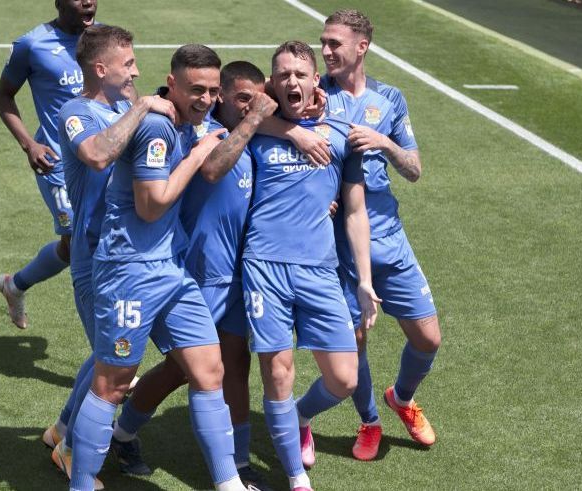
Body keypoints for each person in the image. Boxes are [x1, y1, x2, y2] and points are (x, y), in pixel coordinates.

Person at [70, 45, 254, 491]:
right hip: (129, 269)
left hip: (170, 270)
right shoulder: (155, 126)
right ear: (171, 83)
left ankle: (229, 484)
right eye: (197, 90)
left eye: (213, 91)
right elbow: (150, 207)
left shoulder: (194, 123)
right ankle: (81, 483)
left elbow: (214, 158)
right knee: (112, 384)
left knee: (210, 370)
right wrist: (196, 154)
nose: (207, 100)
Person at [40, 24, 176, 489]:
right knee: (110, 361)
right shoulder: (75, 111)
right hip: (92, 253)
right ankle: (72, 451)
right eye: (129, 63)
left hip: (125, 255)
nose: (137, 69)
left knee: (109, 357)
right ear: (101, 69)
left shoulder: (123, 106)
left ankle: (62, 429)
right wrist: (141, 105)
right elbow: (98, 155)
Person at [243, 41, 379, 491]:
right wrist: (292, 132)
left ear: (316, 79)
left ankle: (299, 416)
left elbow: (356, 211)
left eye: (301, 74)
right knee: (278, 373)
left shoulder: (343, 133)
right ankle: (297, 479)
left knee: (343, 378)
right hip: (264, 266)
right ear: (271, 83)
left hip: (320, 270)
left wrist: (363, 280)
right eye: (283, 75)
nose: (292, 82)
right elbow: (240, 114)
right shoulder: (253, 126)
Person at [315, 9, 441, 462]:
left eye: (334, 43)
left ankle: (401, 398)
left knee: (428, 338)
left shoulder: (390, 98)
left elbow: (414, 170)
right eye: (323, 43)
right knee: (357, 341)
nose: (325, 51)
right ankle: (369, 422)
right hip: (337, 246)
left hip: (389, 237)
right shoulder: (314, 95)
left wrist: (384, 143)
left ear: (361, 46)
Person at [0, 0, 98, 329]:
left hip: (99, 160)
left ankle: (15, 285)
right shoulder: (33, 44)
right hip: (57, 166)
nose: (88, 0)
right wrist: (30, 144)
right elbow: (3, 95)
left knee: (71, 249)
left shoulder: (101, 40)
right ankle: (108, 358)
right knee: (86, 252)